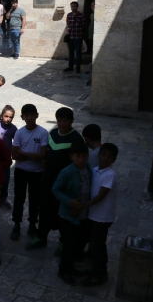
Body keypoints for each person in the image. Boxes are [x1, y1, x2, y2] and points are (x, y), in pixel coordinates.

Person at [26, 107, 85, 251]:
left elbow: (79, 163)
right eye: (59, 120)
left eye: (65, 121)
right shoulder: (52, 134)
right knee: (44, 209)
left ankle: (63, 241)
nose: (62, 124)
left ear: (71, 121)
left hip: (65, 184)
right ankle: (41, 237)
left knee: (63, 214)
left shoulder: (76, 139)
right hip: (48, 180)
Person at [51, 142, 92, 286]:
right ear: (72, 157)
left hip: (82, 214)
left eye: (83, 156)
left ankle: (71, 268)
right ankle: (63, 271)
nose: (81, 159)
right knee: (68, 245)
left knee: (77, 244)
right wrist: (70, 202)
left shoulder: (89, 170)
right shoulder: (67, 172)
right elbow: (56, 190)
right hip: (68, 215)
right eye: (77, 156)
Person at [79, 143, 118, 286]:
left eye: (110, 157)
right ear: (99, 155)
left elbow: (101, 196)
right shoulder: (94, 170)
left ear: (114, 160)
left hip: (103, 217)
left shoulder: (111, 175)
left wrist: (84, 205)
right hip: (93, 214)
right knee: (93, 244)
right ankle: (95, 269)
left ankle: (100, 274)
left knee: (98, 245)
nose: (106, 159)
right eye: (104, 154)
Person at [10, 104, 49, 241]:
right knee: (19, 198)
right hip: (21, 170)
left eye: (32, 114)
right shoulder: (19, 133)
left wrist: (23, 153)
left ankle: (32, 224)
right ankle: (17, 224)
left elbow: (42, 155)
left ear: (37, 115)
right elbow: (14, 155)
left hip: (37, 172)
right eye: (27, 115)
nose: (30, 117)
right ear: (22, 117)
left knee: (34, 200)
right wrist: (33, 155)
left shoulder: (43, 132)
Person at [64, 1, 85, 73]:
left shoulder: (81, 15)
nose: (73, 7)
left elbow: (83, 25)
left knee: (78, 53)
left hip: (78, 37)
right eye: (72, 6)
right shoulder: (69, 15)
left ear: (77, 7)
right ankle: (70, 66)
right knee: (70, 52)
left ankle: (78, 67)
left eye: (74, 6)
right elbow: (68, 24)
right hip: (70, 37)